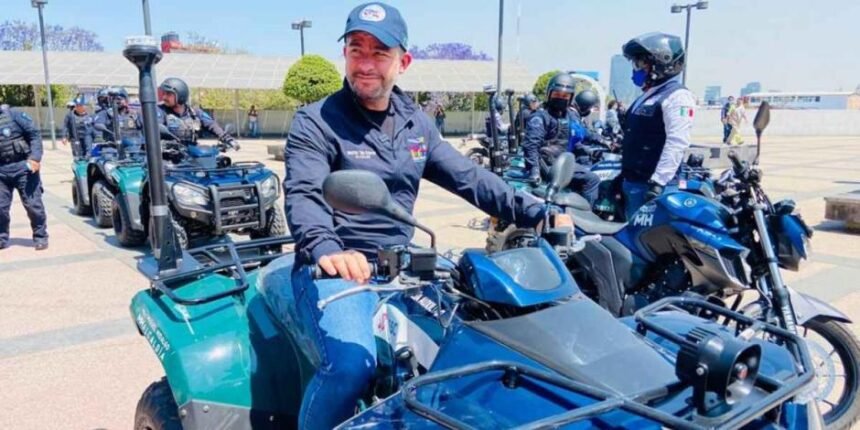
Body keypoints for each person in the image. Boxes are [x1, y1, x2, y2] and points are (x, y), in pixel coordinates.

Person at [280, 3, 569, 428]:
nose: (365, 63)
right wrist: (327, 249)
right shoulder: (316, 121)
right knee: (351, 366)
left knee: (471, 346)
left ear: (403, 62)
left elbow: (469, 177)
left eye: (380, 52)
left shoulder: (416, 123)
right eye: (357, 49)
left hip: (403, 263)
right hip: (336, 269)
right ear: (344, 54)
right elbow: (304, 193)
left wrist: (538, 214)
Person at [619, 32, 695, 220]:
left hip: (653, 186)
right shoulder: (648, 95)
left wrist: (658, 182)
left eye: (640, 63)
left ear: (661, 63)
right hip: (633, 182)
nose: (636, 69)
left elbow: (677, 142)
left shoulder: (678, 97)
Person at [519, 72, 601, 202]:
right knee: (592, 180)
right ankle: (586, 213)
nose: (560, 98)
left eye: (565, 96)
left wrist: (595, 147)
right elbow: (531, 146)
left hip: (562, 161)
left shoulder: (568, 116)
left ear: (571, 97)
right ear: (549, 94)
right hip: (549, 165)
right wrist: (534, 171)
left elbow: (577, 137)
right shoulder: (541, 117)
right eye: (557, 94)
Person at [0, 103, 48, 250]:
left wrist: (35, 158)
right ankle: (1, 238)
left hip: (24, 168)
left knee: (33, 205)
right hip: (2, 171)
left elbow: (34, 134)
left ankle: (40, 236)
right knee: (0, 207)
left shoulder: (14, 114)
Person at [157, 77, 237, 148]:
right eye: (164, 94)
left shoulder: (194, 113)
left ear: (180, 95)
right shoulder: (160, 110)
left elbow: (211, 125)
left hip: (191, 152)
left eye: (168, 94)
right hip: (169, 155)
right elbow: (158, 126)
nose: (164, 97)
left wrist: (227, 139)